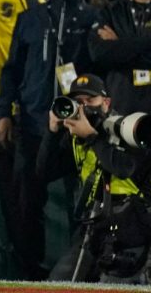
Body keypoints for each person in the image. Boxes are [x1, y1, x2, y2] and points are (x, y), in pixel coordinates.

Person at [0, 0, 99, 280]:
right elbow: (12, 71)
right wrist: (4, 114)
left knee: (82, 203)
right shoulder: (31, 17)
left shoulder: (95, 19)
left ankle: (81, 272)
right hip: (34, 123)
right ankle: (31, 273)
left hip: (79, 128)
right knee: (28, 203)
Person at [37, 74, 151, 283]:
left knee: (112, 285)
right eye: (78, 102)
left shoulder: (125, 129)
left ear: (106, 103)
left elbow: (124, 168)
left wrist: (92, 137)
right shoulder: (75, 137)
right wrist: (52, 131)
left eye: (91, 101)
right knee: (59, 283)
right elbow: (44, 172)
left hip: (131, 229)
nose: (84, 107)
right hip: (94, 229)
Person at [89, 0, 151, 116]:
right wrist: (146, 43)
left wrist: (119, 44)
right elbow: (99, 53)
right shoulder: (110, 11)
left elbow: (113, 53)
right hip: (120, 105)